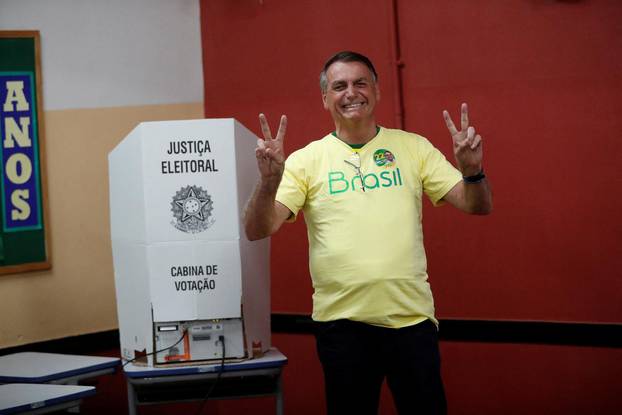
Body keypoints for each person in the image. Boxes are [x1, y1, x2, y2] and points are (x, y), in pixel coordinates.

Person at [244, 51, 492, 415]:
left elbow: (476, 204)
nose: (351, 93)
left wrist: (473, 171)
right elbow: (258, 229)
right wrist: (268, 182)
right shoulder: (305, 160)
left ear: (376, 90)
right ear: (325, 98)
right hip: (342, 327)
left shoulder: (414, 147)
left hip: (412, 321)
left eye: (361, 83)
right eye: (339, 86)